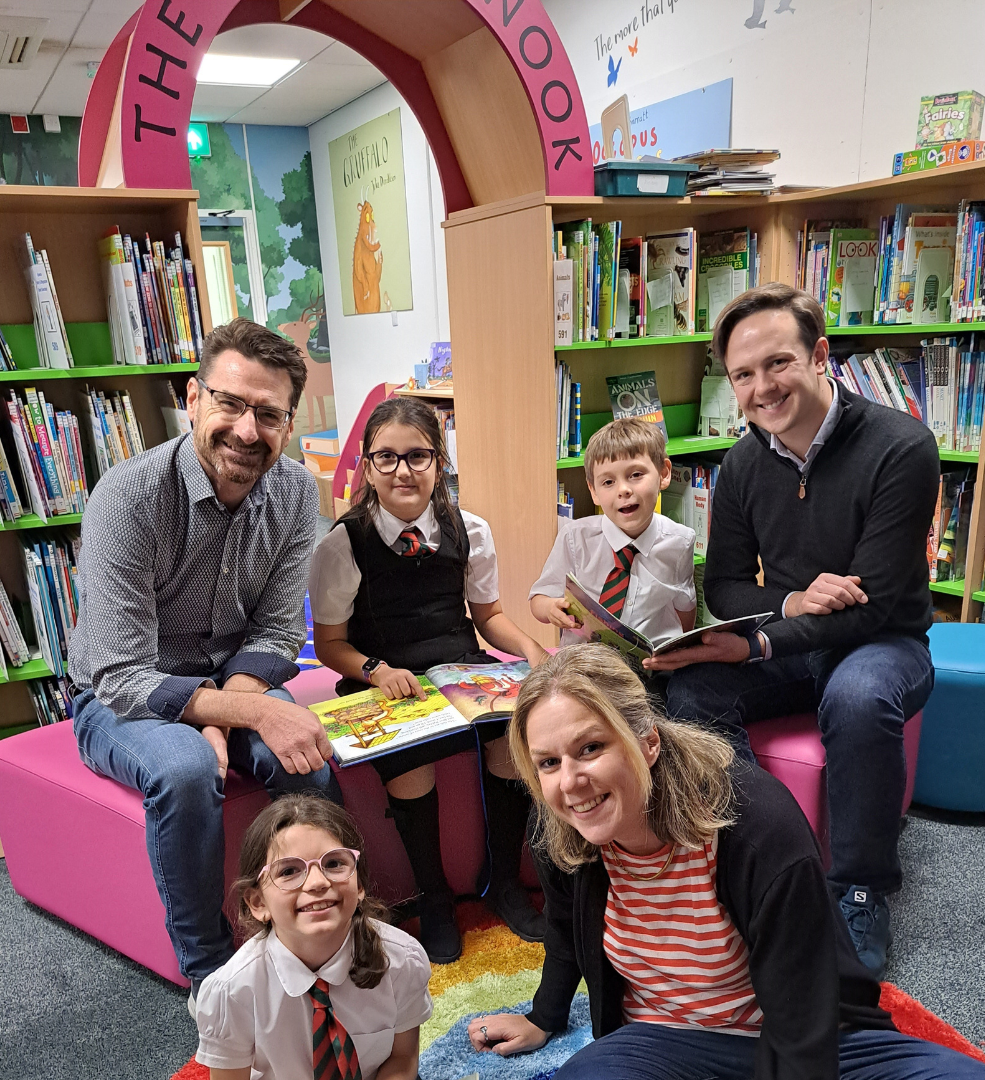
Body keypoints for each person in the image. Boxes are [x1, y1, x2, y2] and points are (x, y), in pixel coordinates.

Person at [468, 644, 985, 1080]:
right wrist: (545, 1017)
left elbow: (804, 1016)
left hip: (805, 1033)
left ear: (648, 743)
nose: (570, 782)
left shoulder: (752, 821)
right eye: (548, 762)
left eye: (590, 748)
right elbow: (565, 931)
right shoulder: (565, 832)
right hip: (664, 1040)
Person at [651, 283, 937, 977]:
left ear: (819, 355)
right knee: (688, 693)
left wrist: (760, 638)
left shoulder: (902, 447)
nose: (761, 388)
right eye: (743, 375)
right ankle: (757, 859)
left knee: (858, 698)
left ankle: (858, 889)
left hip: (885, 641)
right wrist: (790, 605)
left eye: (776, 363)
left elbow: (875, 604)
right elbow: (721, 587)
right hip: (792, 641)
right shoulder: (744, 462)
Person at [69, 317, 342, 1009]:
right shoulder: (128, 499)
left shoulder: (292, 492)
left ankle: (318, 935)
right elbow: (123, 675)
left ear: (288, 421)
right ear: (192, 398)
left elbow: (280, 630)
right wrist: (230, 713)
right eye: (229, 403)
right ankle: (212, 977)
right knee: (187, 768)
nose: (247, 431)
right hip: (120, 698)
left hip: (226, 679)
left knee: (308, 755)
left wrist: (230, 704)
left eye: (269, 414)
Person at [310, 397, 549, 962]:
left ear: (439, 462)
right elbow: (330, 645)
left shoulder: (471, 530)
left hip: (461, 664)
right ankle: (435, 898)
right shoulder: (343, 544)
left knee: (513, 734)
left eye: (417, 456)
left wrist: (531, 650)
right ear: (367, 466)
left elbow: (487, 616)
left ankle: (506, 884)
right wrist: (375, 669)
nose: (402, 471)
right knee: (410, 761)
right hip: (383, 675)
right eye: (386, 458)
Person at [195, 794, 432, 1080]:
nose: (318, 882)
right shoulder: (231, 992)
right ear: (258, 903)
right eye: (289, 871)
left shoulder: (401, 959)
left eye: (334, 864)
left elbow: (403, 1058)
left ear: (359, 886)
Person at [529, 416, 696, 676]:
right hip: (584, 670)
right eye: (608, 482)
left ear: (664, 474)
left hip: (649, 671)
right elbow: (538, 599)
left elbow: (685, 609)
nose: (624, 490)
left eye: (636, 475)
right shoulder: (575, 538)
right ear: (593, 491)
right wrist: (551, 609)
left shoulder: (680, 541)